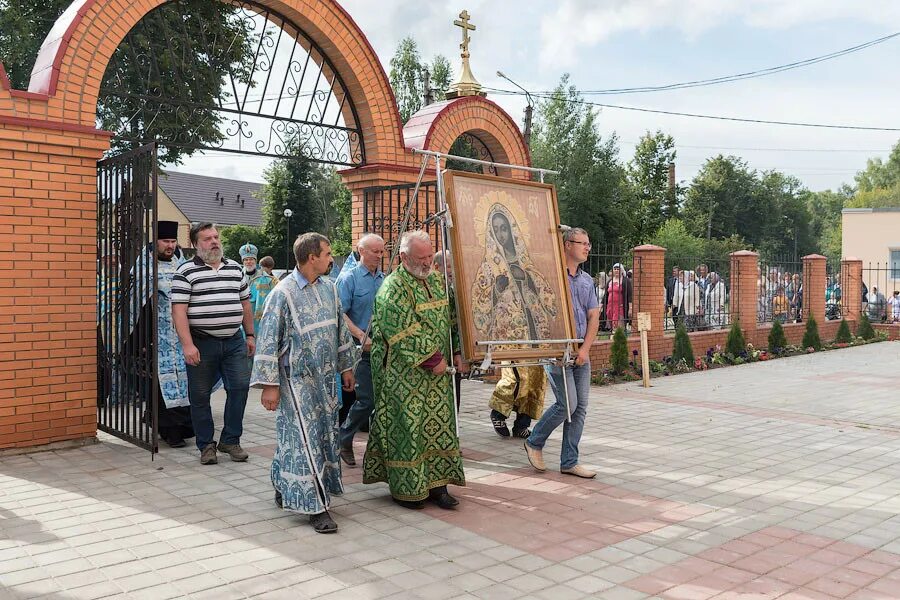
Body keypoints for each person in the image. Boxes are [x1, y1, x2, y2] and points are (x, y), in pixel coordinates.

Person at [252, 233, 357, 534]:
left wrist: (346, 367)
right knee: (304, 440)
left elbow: (340, 331)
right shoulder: (281, 294)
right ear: (312, 257)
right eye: (326, 253)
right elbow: (268, 340)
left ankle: (284, 482)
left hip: (325, 381)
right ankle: (316, 507)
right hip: (295, 382)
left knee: (322, 437)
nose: (330, 258)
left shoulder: (330, 289)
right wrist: (269, 385)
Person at [363, 230, 465, 509]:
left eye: (430, 256)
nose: (428, 262)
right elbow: (403, 328)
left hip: (439, 374)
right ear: (403, 257)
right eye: (421, 258)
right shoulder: (392, 287)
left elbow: (452, 320)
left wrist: (457, 352)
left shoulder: (437, 280)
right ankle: (407, 489)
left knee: (439, 427)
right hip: (403, 374)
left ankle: (438, 486)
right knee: (408, 427)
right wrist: (432, 360)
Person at [172, 223, 254, 465]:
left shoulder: (235, 268)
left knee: (239, 388)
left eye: (216, 237)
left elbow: (245, 304)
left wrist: (250, 335)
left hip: (234, 341)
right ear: (196, 244)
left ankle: (230, 439)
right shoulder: (185, 271)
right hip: (201, 341)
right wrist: (187, 345)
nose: (214, 242)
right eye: (207, 239)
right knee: (199, 395)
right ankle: (206, 445)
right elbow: (179, 311)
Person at [524, 227, 599, 479]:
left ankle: (569, 461)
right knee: (568, 403)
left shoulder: (588, 281)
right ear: (567, 245)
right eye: (583, 243)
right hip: (557, 350)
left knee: (580, 409)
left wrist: (585, 350)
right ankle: (534, 441)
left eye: (589, 243)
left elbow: (593, 317)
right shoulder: (552, 277)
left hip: (580, 350)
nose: (587, 247)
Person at [471, 205, 558, 343]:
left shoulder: (524, 260)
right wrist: (497, 289)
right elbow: (479, 299)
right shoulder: (488, 265)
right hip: (506, 331)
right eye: (496, 230)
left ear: (512, 230)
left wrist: (525, 276)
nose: (500, 235)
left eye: (504, 229)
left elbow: (545, 289)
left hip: (534, 324)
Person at [336, 233, 386, 467]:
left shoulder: (384, 279)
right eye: (375, 251)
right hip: (359, 345)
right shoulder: (349, 278)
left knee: (384, 399)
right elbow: (339, 313)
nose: (379, 255)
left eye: (382, 251)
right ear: (361, 250)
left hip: (383, 345)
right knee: (366, 399)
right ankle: (344, 438)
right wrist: (359, 335)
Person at [433, 250, 464, 409]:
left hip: (451, 352)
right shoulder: (431, 289)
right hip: (434, 355)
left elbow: (454, 323)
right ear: (436, 267)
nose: (453, 271)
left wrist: (458, 352)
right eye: (450, 266)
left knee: (453, 397)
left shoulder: (451, 289)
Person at [248, 255, 280, 335]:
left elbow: (250, 299)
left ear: (261, 266)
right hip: (272, 316)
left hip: (255, 319)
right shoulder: (277, 281)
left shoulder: (255, 280)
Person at [605, 263, 631, 332]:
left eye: (618, 269)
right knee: (612, 328)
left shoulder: (625, 281)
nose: (616, 271)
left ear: (621, 270)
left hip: (620, 307)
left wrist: (630, 308)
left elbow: (630, 295)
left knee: (619, 328)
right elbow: (606, 295)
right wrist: (600, 306)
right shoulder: (610, 282)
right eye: (615, 269)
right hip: (610, 307)